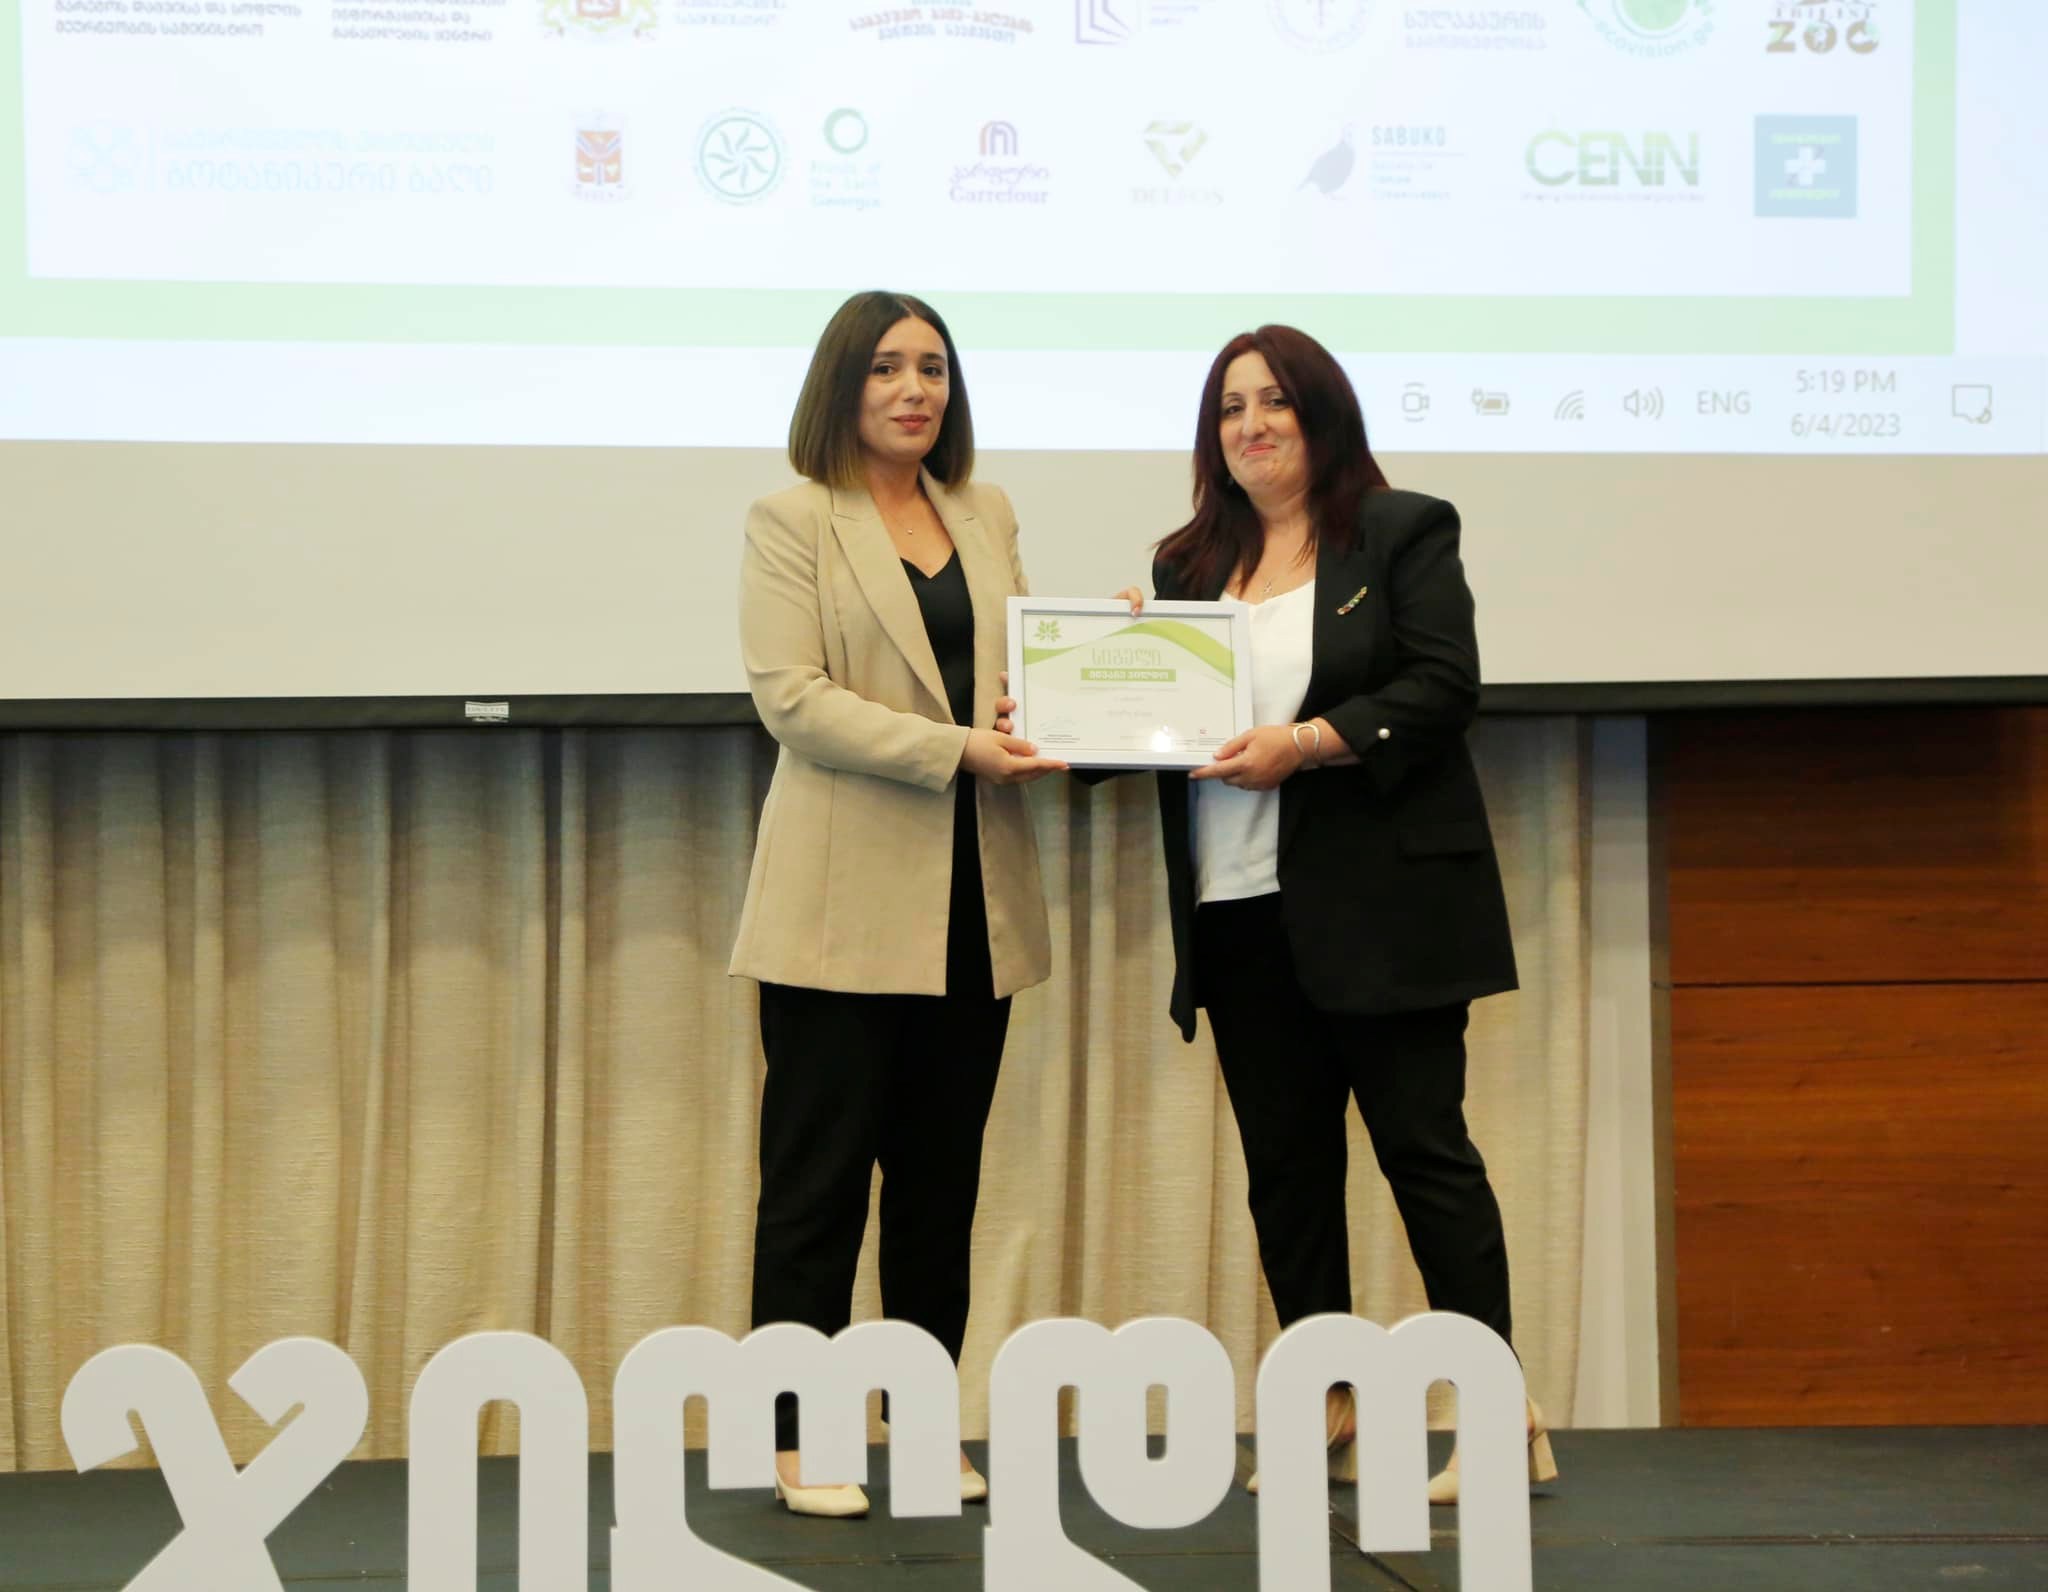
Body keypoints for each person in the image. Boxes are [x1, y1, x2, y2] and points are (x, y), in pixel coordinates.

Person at [1114, 325, 1554, 1502]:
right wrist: (1081, 691)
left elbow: (1441, 685)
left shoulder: (1399, 531)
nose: (1250, 425)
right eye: (1228, 408)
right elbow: (1158, 730)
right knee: (1286, 1174)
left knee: (1424, 1155)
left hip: (1386, 905)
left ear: (1322, 416)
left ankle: (1501, 1410)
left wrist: (1306, 742)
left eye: (1274, 402)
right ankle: (1327, 1400)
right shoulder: (1187, 566)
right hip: (1236, 906)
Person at [730, 290, 1066, 1518]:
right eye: (885, 368)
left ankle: (919, 1420)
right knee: (815, 1186)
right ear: (842, 384)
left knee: (938, 1187)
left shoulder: (986, 510)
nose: (914, 389)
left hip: (975, 901)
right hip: (835, 909)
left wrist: (1103, 673)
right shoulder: (790, 518)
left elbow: (1018, 676)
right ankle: (797, 1432)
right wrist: (957, 749)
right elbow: (792, 697)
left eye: (931, 367)